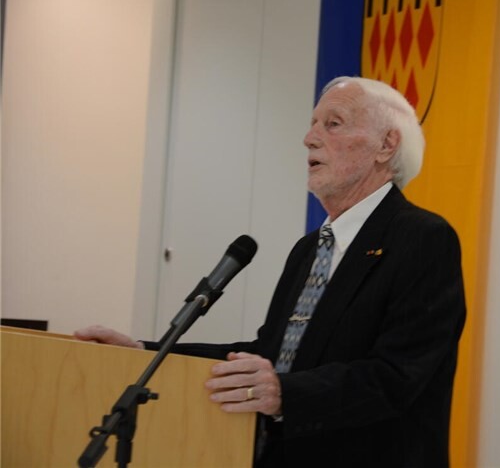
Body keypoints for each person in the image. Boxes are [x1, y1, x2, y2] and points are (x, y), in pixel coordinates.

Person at [75, 76, 466, 468]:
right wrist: (147, 353)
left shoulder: (424, 239)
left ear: (386, 145)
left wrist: (285, 393)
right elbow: (272, 354)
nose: (309, 139)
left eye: (333, 124)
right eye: (313, 125)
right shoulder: (310, 248)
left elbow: (398, 375)